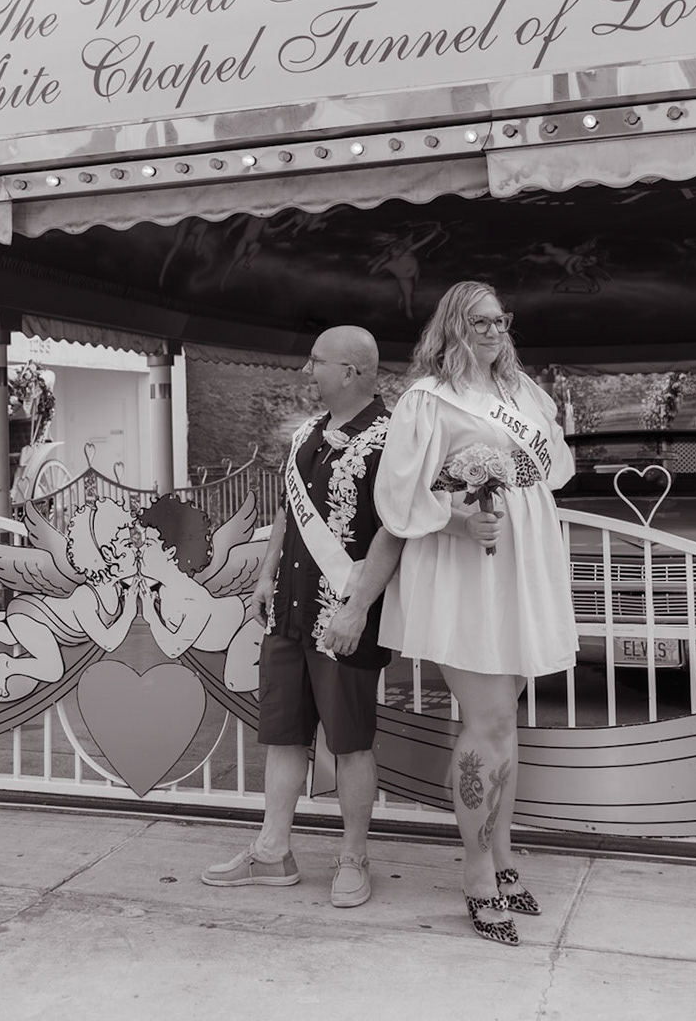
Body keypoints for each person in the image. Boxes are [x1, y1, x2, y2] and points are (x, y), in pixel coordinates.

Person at [374, 281, 574, 946]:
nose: (492, 330)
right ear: (452, 326)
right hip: (468, 570)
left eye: (500, 319)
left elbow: (555, 468)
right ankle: (477, 871)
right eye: (478, 320)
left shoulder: (523, 392)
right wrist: (458, 521)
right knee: (488, 722)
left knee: (503, 725)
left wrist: (511, 469)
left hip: (520, 564)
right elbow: (399, 492)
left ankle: (503, 857)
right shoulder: (429, 398)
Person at [200, 325, 404, 909]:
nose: (306, 371)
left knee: (350, 742)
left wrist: (358, 609)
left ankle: (354, 857)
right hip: (287, 612)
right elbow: (289, 515)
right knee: (283, 736)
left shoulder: (393, 438)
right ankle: (272, 852)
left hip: (344, 618)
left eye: (317, 361)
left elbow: (395, 532)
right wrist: (266, 573)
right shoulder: (306, 432)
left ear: (352, 372)